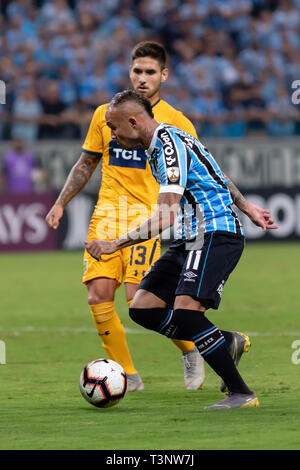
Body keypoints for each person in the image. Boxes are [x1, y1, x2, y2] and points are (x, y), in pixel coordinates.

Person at [85, 89, 278, 409]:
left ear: (133, 121)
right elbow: (215, 169)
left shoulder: (167, 148)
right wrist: (247, 206)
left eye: (115, 127)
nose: (113, 136)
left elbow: (165, 215)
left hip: (214, 233)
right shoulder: (168, 139)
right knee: (143, 307)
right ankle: (225, 341)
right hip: (191, 237)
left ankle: (241, 393)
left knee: (187, 313)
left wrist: (114, 243)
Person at [45, 41, 207, 391]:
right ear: (129, 72)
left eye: (150, 72)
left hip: (147, 214)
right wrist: (61, 203)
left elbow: (195, 170)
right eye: (137, 71)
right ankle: (127, 375)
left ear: (164, 75)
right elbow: (87, 162)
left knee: (138, 300)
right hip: (108, 212)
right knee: (98, 295)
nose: (143, 78)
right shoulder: (105, 114)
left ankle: (191, 349)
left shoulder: (177, 121)